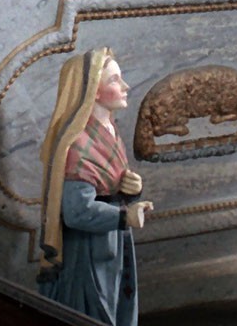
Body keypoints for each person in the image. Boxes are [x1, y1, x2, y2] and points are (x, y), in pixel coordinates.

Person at [38, 48, 152, 326]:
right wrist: (124, 216)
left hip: (112, 241)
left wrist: (130, 189)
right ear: (93, 91)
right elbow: (77, 211)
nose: (125, 86)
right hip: (88, 248)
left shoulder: (109, 129)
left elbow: (109, 184)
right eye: (114, 80)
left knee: (118, 303)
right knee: (95, 308)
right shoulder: (78, 143)